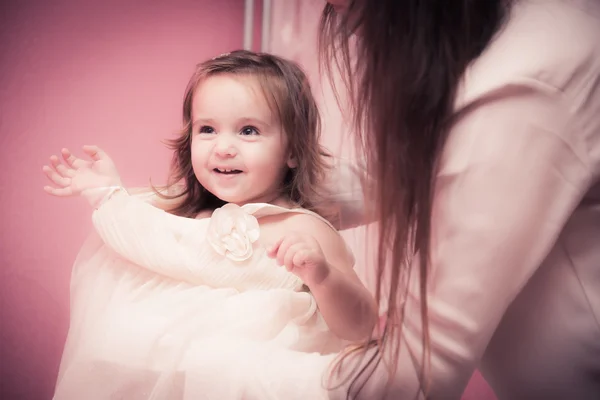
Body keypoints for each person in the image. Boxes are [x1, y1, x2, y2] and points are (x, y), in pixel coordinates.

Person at [296, 0, 599, 399]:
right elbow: (388, 179)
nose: (362, 40)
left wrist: (235, 372)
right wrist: (261, 183)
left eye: (362, 17)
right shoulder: (495, 52)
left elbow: (418, 371)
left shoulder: (527, 79)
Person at [42, 50, 378, 399]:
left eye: (248, 130)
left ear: (292, 151)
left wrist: (322, 277)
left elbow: (361, 324)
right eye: (207, 129)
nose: (223, 147)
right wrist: (106, 194)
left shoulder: (305, 229)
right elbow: (141, 235)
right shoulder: (183, 215)